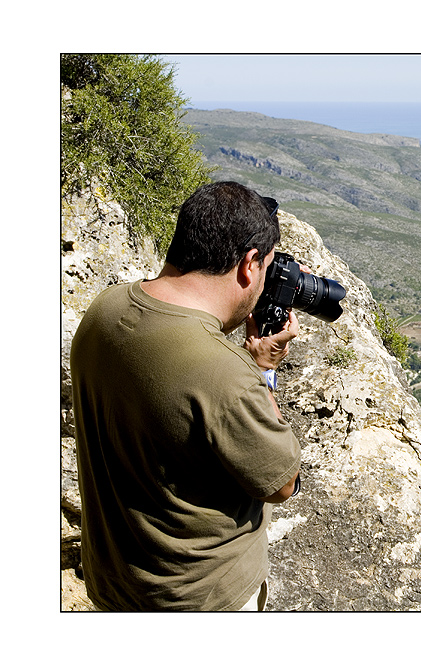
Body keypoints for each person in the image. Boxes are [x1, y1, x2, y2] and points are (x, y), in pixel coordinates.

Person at [70, 181, 302, 611]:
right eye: (267, 269)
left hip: (114, 584)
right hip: (199, 599)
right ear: (249, 264)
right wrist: (262, 371)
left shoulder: (105, 309)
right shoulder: (224, 372)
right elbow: (281, 482)